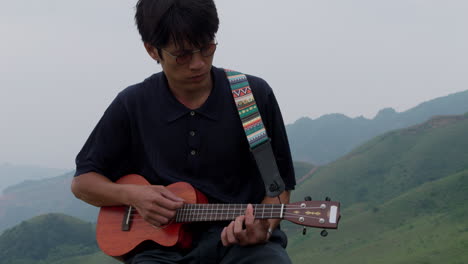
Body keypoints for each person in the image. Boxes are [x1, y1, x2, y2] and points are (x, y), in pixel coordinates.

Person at [71, 0, 296, 263]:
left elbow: (278, 188)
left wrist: (264, 227)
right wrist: (134, 195)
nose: (198, 64)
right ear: (152, 50)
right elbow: (83, 182)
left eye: (206, 48)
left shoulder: (251, 96)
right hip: (158, 251)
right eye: (183, 55)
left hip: (242, 247)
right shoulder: (132, 104)